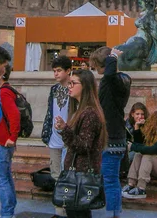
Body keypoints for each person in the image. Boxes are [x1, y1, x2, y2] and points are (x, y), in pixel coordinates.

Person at [54, 69, 107, 218]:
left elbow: (84, 146)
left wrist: (65, 129)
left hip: (81, 174)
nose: (69, 86)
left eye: (73, 83)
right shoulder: (81, 110)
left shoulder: (89, 113)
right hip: (78, 173)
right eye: (69, 83)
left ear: (85, 86)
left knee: (78, 212)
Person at [90, 47, 131, 218]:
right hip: (117, 137)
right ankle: (113, 213)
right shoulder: (124, 80)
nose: (96, 72)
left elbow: (108, 74)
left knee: (110, 181)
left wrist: (112, 56)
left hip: (111, 139)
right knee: (111, 179)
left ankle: (112, 215)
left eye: (96, 67)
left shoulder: (110, 80)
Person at [41, 55, 73, 218]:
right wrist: (46, 133)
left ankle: (67, 210)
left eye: (59, 70)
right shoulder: (54, 89)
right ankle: (59, 211)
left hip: (69, 139)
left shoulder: (75, 88)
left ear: (68, 71)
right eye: (54, 71)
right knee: (56, 175)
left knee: (67, 176)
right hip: (54, 138)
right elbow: (50, 112)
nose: (56, 74)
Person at [0, 58, 18, 218]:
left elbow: (14, 115)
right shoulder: (5, 91)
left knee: (0, 179)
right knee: (5, 177)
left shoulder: (4, 92)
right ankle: (9, 209)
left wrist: (12, 136)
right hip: (3, 141)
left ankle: (7, 213)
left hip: (2, 142)